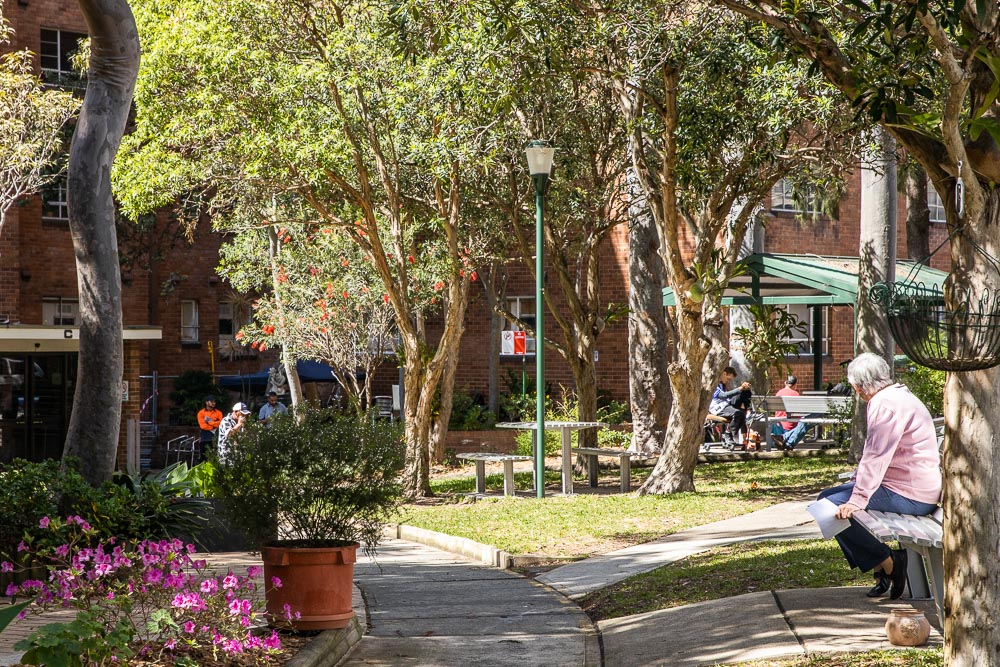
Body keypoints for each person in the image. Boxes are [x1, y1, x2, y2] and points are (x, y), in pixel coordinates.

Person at [815, 353, 941, 599]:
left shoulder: (885, 404)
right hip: (910, 489)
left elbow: (876, 455)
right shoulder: (896, 395)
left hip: (910, 496)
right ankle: (881, 563)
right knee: (828, 498)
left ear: (859, 388)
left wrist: (857, 498)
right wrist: (856, 482)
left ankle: (889, 563)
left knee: (827, 506)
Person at [709, 366, 752, 448]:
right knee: (740, 414)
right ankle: (728, 433)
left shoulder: (723, 385)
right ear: (724, 374)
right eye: (728, 379)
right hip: (719, 407)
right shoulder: (714, 384)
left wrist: (744, 388)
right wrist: (740, 388)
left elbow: (730, 396)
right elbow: (723, 396)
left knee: (745, 392)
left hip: (726, 404)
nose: (728, 381)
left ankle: (749, 410)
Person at [770, 375, 808, 451]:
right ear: (795, 384)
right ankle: (786, 441)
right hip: (791, 425)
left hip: (778, 424)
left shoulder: (779, 393)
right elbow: (799, 411)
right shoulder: (795, 394)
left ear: (785, 383)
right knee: (805, 424)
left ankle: (782, 440)